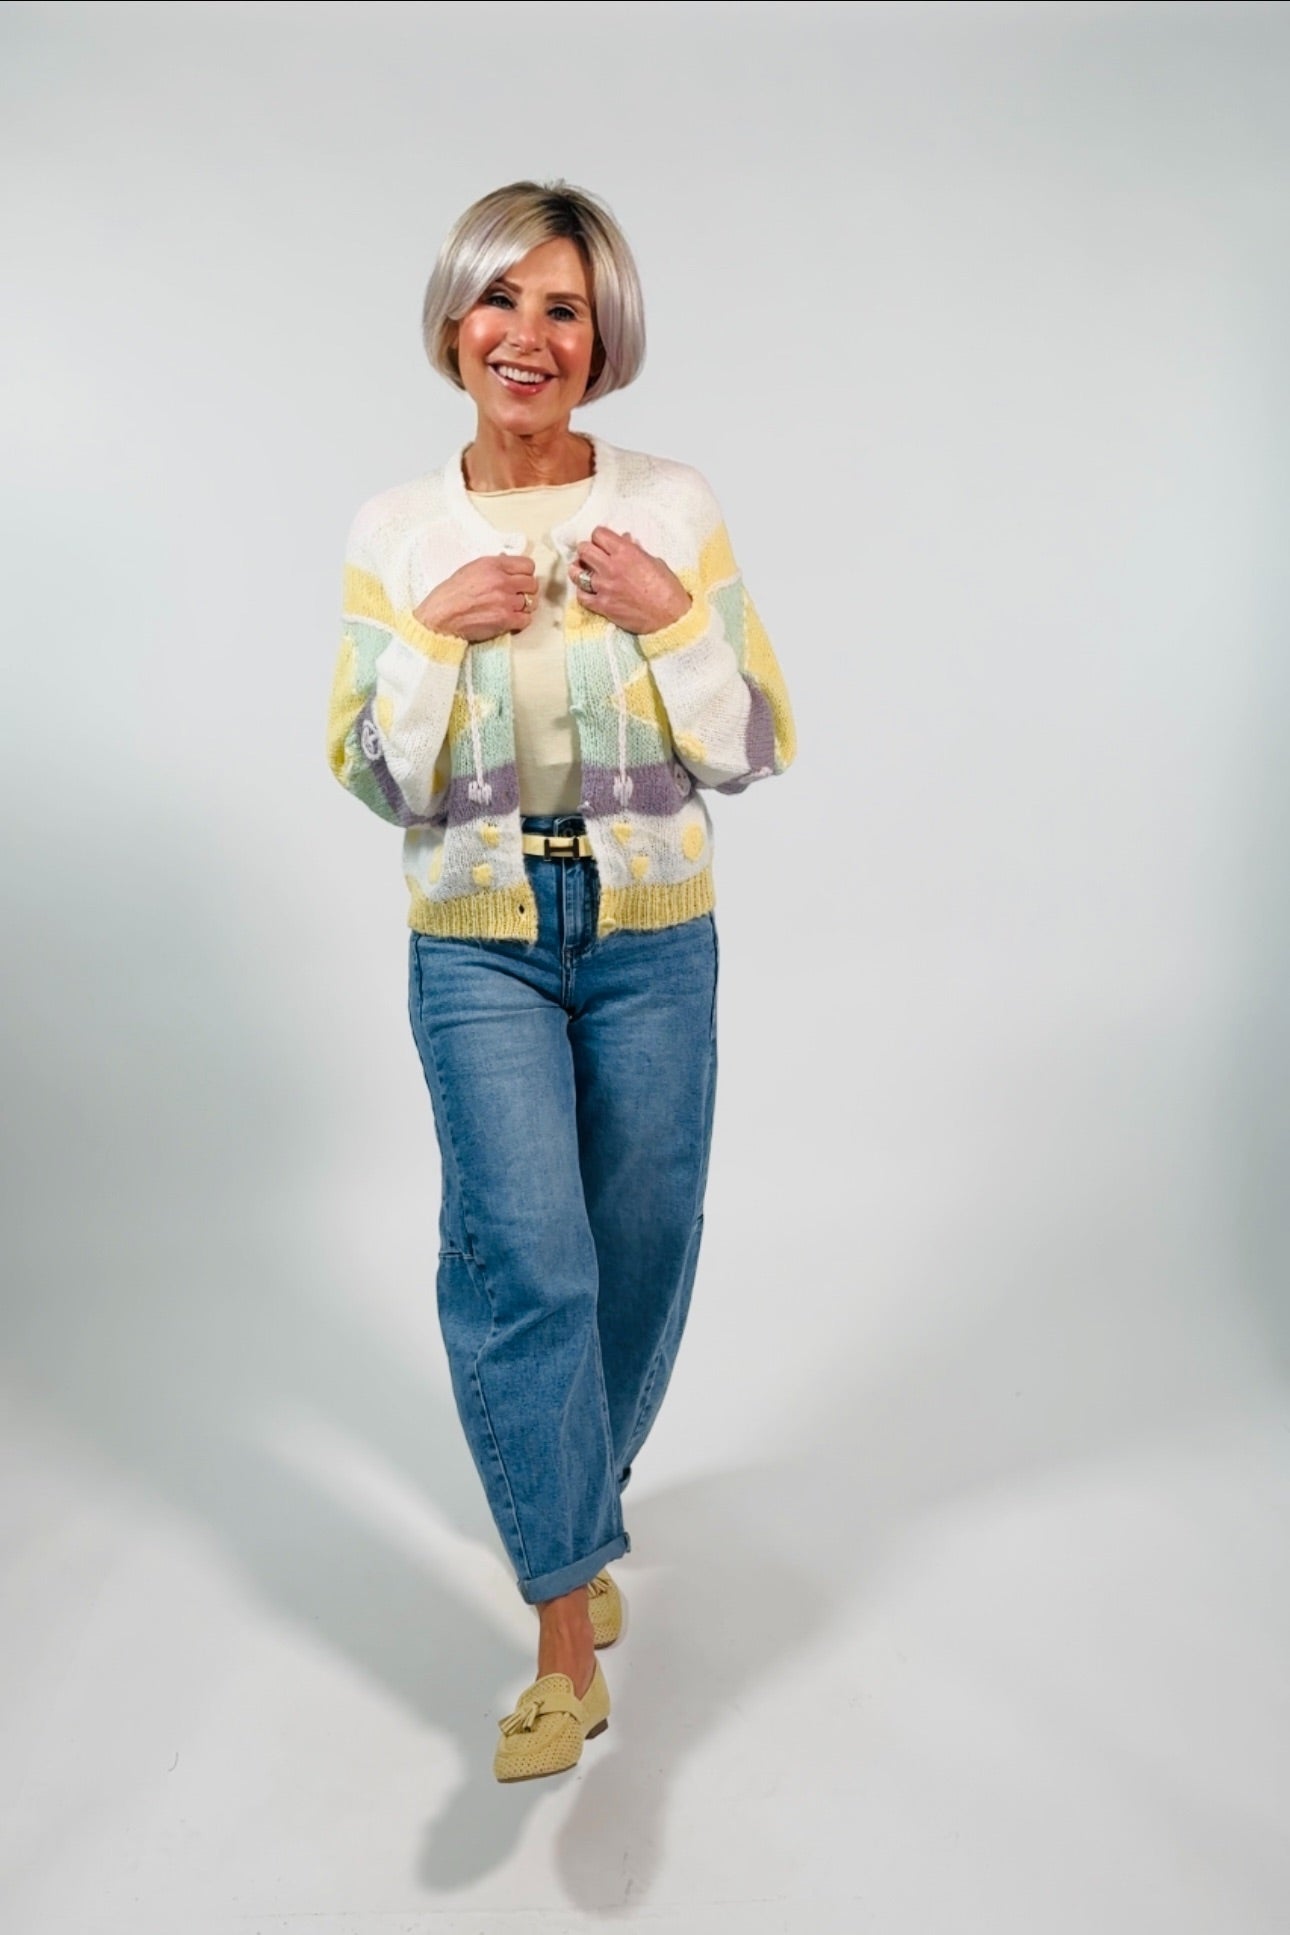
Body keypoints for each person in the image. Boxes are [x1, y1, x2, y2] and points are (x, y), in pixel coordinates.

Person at [326, 179, 795, 1782]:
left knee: (640, 1247)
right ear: (454, 321)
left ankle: (577, 1511)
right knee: (526, 1259)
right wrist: (427, 643)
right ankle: (559, 1641)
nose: (526, 336)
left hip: (653, 934)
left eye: (563, 308)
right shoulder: (398, 532)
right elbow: (371, 774)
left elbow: (750, 745)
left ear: (604, 339)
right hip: (478, 943)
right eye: (500, 300)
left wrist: (672, 623)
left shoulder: (672, 506)